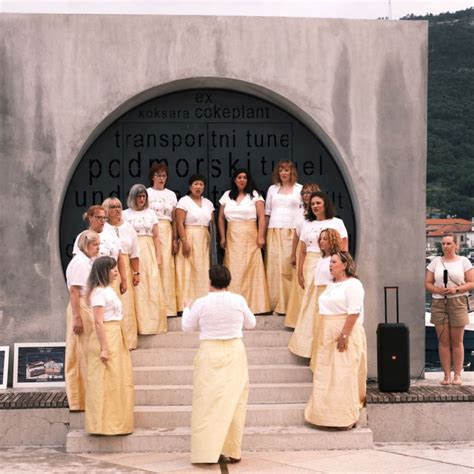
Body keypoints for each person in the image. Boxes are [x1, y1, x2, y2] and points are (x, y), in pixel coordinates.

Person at [182, 265, 256, 464]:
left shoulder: (202, 303)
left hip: (210, 352)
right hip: (234, 352)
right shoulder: (238, 300)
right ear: (228, 281)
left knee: (207, 403)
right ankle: (232, 450)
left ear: (210, 281)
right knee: (235, 403)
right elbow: (252, 323)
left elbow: (187, 326)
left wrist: (186, 308)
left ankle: (206, 453)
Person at [305, 251, 367, 430]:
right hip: (326, 332)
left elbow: (354, 311)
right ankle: (323, 415)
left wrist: (344, 335)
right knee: (325, 374)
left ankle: (345, 417)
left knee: (343, 373)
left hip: (344, 332)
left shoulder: (353, 284)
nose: (330, 265)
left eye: (333, 262)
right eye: (329, 262)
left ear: (345, 264)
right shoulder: (330, 285)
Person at [288, 193, 348, 358]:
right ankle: (307, 347)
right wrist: (300, 271)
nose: (315, 206)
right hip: (311, 263)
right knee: (310, 303)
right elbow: (302, 250)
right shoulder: (307, 224)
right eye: (312, 204)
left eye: (318, 203)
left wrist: (340, 269)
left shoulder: (337, 222)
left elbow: (344, 248)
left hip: (331, 263)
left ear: (325, 204)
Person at [85, 256, 134, 435]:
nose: (116, 272)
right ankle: (104, 424)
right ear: (103, 271)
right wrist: (104, 348)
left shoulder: (109, 290)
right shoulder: (98, 293)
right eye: (112, 269)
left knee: (117, 380)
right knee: (106, 380)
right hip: (106, 337)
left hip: (116, 334)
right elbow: (98, 322)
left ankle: (118, 422)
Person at [218, 168, 270, 314]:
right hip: (232, 236)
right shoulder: (227, 195)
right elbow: (221, 218)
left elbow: (261, 217)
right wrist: (222, 236)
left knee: (251, 269)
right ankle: (231, 305)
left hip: (250, 236)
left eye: (244, 177)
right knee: (234, 268)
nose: (242, 180)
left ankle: (255, 305)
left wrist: (261, 236)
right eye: (239, 177)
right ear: (234, 180)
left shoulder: (255, 195)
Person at [425, 233, 473, 385]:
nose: (445, 246)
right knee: (443, 341)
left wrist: (456, 290)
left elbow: (471, 282)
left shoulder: (464, 261)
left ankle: (457, 375)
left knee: (457, 341)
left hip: (458, 301)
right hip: (439, 303)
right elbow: (427, 283)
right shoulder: (435, 263)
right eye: (443, 244)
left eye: (448, 243)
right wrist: (437, 290)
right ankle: (446, 375)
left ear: (456, 245)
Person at [123, 184, 167, 334]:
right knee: (137, 286)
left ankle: (153, 324)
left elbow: (156, 236)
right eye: (139, 196)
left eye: (143, 196)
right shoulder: (125, 214)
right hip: (133, 251)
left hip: (148, 250)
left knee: (151, 284)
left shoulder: (151, 214)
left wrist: (158, 256)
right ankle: (137, 325)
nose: (141, 199)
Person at [65, 230, 100, 411]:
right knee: (79, 352)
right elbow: (74, 291)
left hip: (86, 306)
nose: (98, 248)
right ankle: (80, 399)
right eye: (95, 245)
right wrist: (77, 317)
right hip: (80, 307)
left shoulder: (88, 262)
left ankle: (89, 395)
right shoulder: (79, 263)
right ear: (86, 246)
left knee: (87, 351)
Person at [265, 160, 302, 314]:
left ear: (292, 171)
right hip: (274, 231)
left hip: (292, 231)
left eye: (286, 170)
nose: (284, 173)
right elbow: (267, 212)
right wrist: (263, 234)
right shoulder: (273, 189)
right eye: (281, 170)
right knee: (274, 268)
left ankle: (290, 306)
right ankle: (275, 304)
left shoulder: (299, 189)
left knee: (289, 267)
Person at [102, 197, 140, 350]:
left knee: (126, 305)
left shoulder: (128, 227)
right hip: (107, 268)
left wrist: (136, 272)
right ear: (106, 211)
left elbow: (134, 252)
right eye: (112, 207)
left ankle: (128, 341)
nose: (117, 209)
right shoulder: (103, 228)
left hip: (124, 268)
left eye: (119, 206)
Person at [175, 174, 215, 311]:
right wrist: (184, 240)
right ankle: (186, 303)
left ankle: (202, 302)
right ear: (190, 186)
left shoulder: (208, 203)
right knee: (187, 270)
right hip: (189, 235)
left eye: (201, 184)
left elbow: (212, 224)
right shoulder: (184, 202)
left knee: (202, 270)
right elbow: (179, 223)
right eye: (195, 184)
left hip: (204, 238)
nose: (198, 187)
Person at [284, 183, 320, 328]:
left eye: (309, 193)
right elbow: (296, 234)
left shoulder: (317, 212)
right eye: (304, 193)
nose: (306, 195)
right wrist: (293, 253)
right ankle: (297, 319)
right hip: (300, 248)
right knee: (298, 283)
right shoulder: (299, 212)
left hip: (313, 249)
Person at [73, 205, 127, 296]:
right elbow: (78, 262)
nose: (102, 221)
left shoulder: (112, 234)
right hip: (95, 280)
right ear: (90, 217)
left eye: (104, 218)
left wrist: (124, 280)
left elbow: (120, 258)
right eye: (99, 217)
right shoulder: (84, 236)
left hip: (113, 279)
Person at [309, 229, 343, 371]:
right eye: (321, 239)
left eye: (325, 239)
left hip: (329, 295)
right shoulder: (321, 259)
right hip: (319, 294)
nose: (321, 242)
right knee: (318, 329)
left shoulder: (335, 259)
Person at [147, 163, 179, 316]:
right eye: (158, 175)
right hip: (150, 230)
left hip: (166, 229)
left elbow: (174, 219)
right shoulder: (147, 193)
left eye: (163, 175)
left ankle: (167, 307)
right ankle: (152, 306)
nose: (161, 178)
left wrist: (174, 239)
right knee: (152, 265)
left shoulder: (171, 195)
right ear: (152, 177)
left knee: (166, 266)